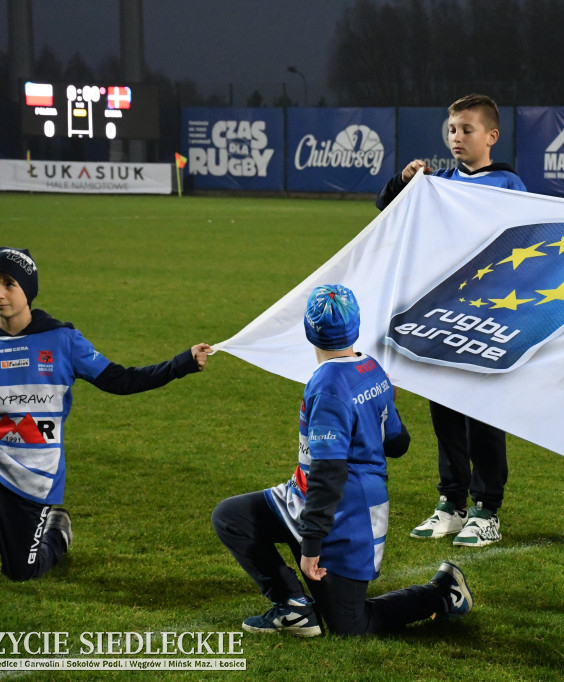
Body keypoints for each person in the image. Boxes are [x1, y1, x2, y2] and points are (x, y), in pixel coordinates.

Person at [212, 285, 473, 637]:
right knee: (232, 517)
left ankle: (441, 593)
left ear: (308, 331)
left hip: (348, 515)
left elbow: (328, 473)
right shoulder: (371, 370)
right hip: (306, 499)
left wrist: (311, 546)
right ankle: (293, 606)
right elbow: (398, 444)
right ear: (356, 326)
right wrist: (383, 405)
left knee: (351, 625)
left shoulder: (327, 385)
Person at [0, 247, 211, 581]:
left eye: (8, 284)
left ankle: (57, 532)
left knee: (20, 572)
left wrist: (181, 363)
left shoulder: (63, 341)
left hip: (32, 474)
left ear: (27, 290)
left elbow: (121, 380)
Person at [376, 93, 526, 548]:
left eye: (466, 130)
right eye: (452, 131)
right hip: (442, 313)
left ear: (491, 136)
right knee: (444, 410)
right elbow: (387, 211)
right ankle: (452, 502)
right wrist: (401, 182)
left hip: (487, 317)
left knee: (482, 411)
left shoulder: (509, 185)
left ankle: (487, 507)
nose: (456, 137)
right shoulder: (437, 182)